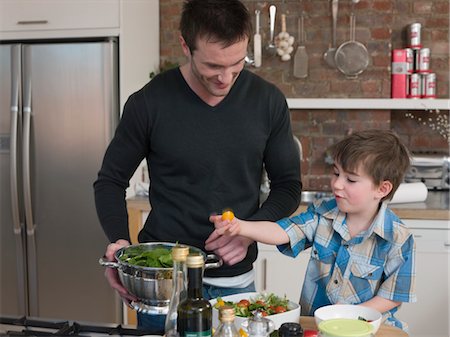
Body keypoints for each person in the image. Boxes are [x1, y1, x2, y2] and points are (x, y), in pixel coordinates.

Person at [94, 0, 301, 333]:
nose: (226, 78)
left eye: (237, 63)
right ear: (185, 46)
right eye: (213, 66)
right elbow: (110, 181)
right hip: (164, 283)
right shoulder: (148, 103)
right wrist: (119, 242)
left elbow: (288, 185)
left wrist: (249, 232)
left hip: (234, 284)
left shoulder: (268, 101)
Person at [211, 129, 416, 331]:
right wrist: (241, 226)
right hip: (318, 328)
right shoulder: (322, 215)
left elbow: (393, 297)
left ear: (382, 189)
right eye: (336, 173)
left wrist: (350, 314)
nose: (337, 184)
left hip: (369, 329)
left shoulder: (398, 238)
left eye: (350, 180)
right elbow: (282, 231)